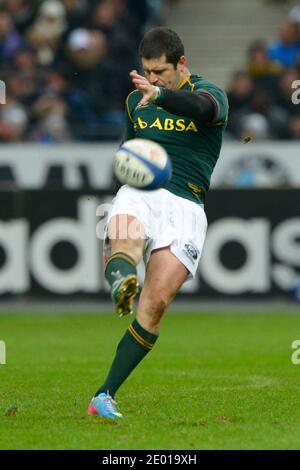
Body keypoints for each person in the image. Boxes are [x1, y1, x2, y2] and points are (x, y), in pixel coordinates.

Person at [87, 27, 228, 419]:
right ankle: (120, 280)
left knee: (156, 303)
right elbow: (126, 154)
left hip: (186, 205)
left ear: (181, 64)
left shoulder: (211, 94)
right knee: (126, 249)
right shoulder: (136, 101)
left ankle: (104, 396)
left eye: (160, 71)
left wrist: (163, 96)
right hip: (141, 191)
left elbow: (202, 110)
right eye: (147, 72)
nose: (152, 80)